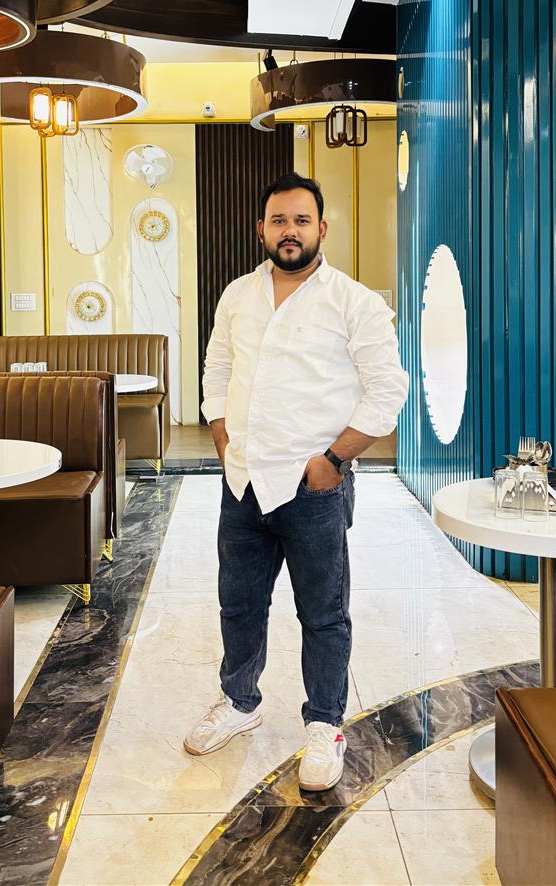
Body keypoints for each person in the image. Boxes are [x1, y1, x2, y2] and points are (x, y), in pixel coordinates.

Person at [184, 171, 409, 791]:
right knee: (239, 603)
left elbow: (389, 392)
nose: (290, 231)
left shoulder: (354, 302)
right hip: (242, 483)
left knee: (323, 613)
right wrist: (222, 435)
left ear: (321, 228)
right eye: (279, 221)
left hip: (313, 489)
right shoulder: (238, 295)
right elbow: (217, 368)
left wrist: (332, 460)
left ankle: (325, 723)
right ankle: (239, 702)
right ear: (261, 228)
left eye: (301, 221)